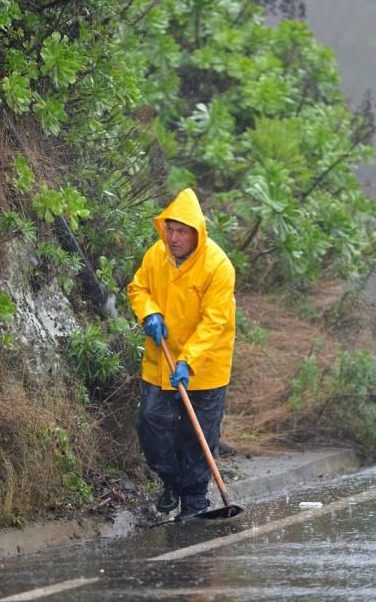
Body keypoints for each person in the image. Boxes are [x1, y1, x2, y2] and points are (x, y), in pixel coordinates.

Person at [127, 188, 236, 521]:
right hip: (160, 361)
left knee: (197, 436)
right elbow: (138, 288)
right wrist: (149, 314)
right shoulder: (155, 256)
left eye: (180, 232)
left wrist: (189, 359)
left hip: (205, 367)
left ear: (196, 233)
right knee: (151, 425)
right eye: (169, 230)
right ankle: (172, 483)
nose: (173, 238)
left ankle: (195, 502)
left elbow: (214, 321)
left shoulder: (218, 266)